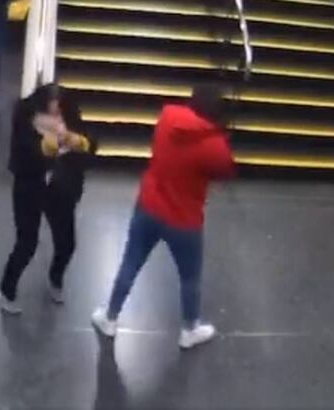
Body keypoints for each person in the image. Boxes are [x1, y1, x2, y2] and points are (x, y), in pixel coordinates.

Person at [91, 85, 235, 350]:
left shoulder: (168, 116)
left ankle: (109, 317)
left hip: (149, 205)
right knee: (189, 277)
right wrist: (222, 135)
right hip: (184, 220)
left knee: (130, 262)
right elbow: (226, 169)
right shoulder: (214, 144)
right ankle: (190, 328)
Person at [0, 85, 95, 313]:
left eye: (59, 112)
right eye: (51, 112)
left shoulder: (71, 115)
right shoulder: (24, 116)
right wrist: (46, 146)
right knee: (27, 243)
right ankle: (7, 289)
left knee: (67, 243)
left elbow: (90, 144)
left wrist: (79, 143)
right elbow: (24, 150)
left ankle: (56, 277)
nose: (56, 117)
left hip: (60, 189)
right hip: (29, 186)